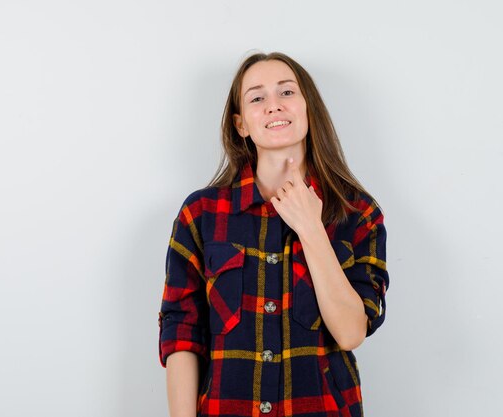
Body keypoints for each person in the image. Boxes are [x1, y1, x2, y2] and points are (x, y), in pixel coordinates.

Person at [157, 51, 389, 417]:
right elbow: (182, 333)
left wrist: (311, 227)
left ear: (308, 108)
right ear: (241, 125)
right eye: (257, 98)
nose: (273, 106)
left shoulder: (358, 214)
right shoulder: (200, 214)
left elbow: (350, 333)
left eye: (286, 92)